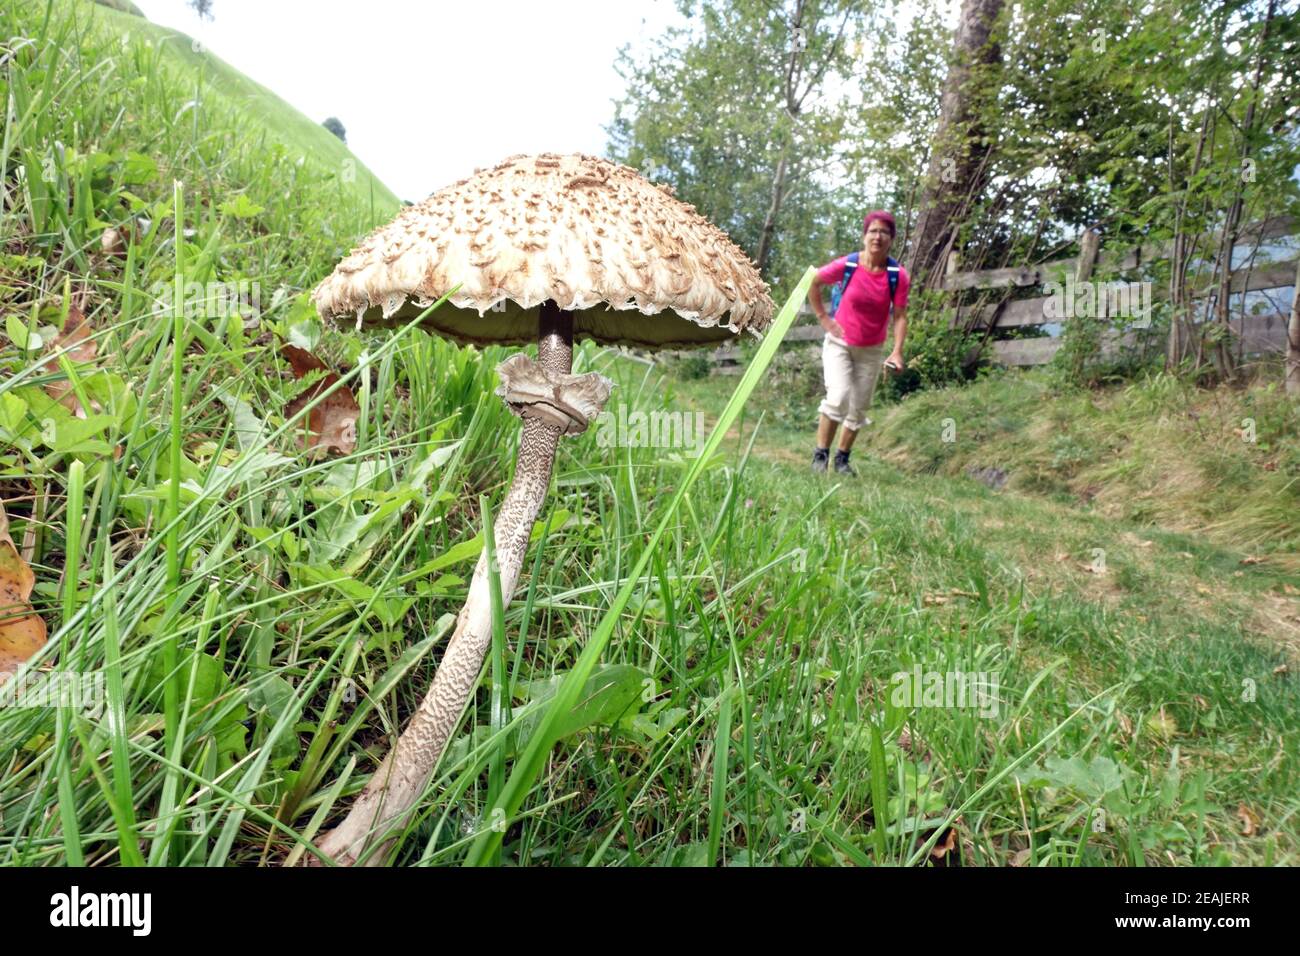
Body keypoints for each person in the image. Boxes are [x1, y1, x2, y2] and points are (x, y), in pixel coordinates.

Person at [807, 211, 910, 475]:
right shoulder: (849, 265)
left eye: (884, 232)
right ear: (865, 236)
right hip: (839, 344)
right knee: (838, 396)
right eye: (873, 231)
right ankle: (820, 456)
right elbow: (814, 281)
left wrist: (897, 351)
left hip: (872, 350)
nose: (878, 236)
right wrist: (824, 319)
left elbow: (899, 316)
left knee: (859, 407)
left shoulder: (897, 276)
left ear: (891, 239)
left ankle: (842, 460)